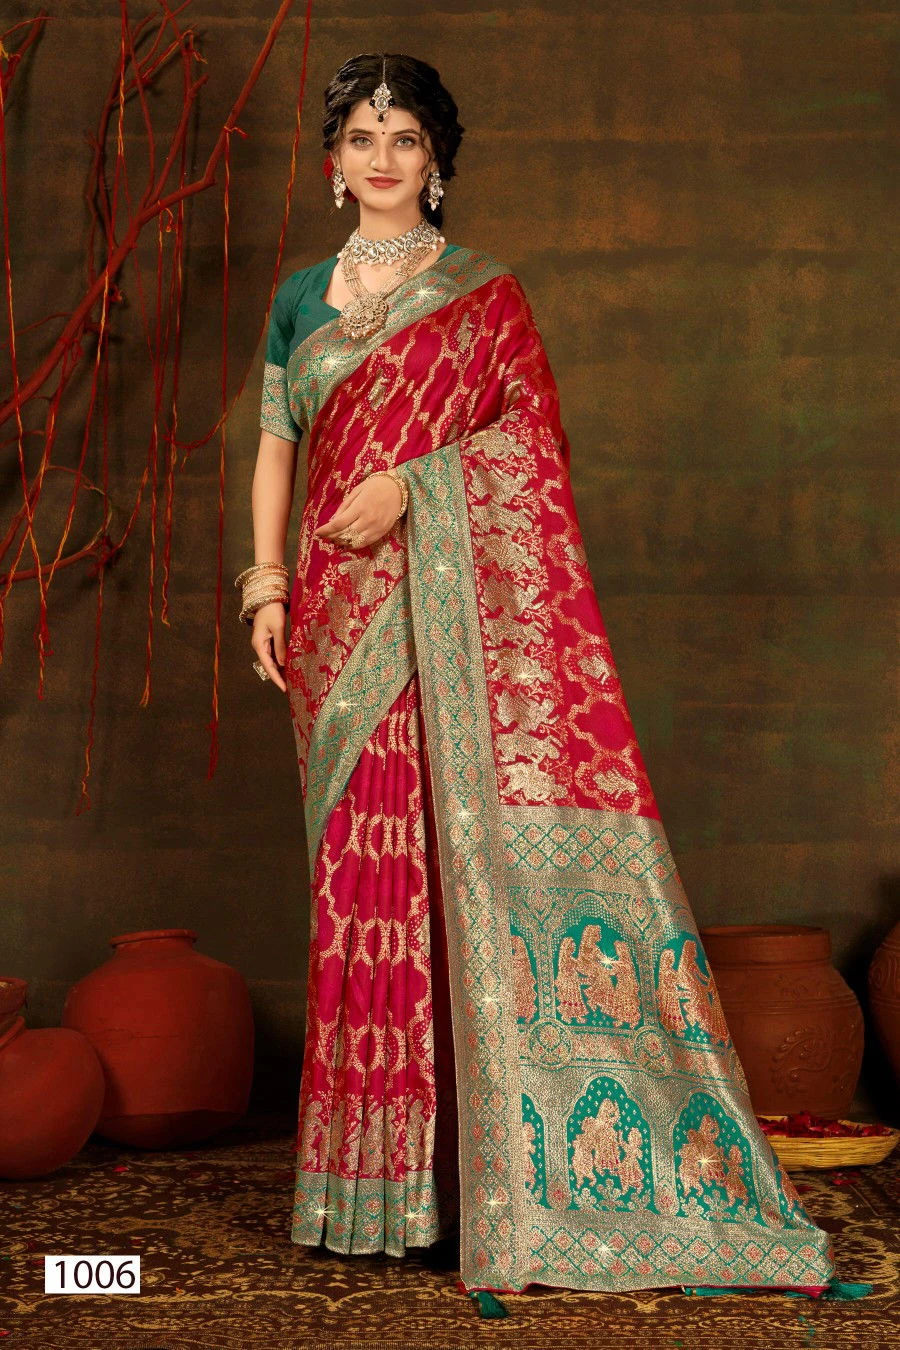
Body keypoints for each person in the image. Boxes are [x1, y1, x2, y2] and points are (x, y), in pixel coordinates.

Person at [238, 51, 843, 1316]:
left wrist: (413, 488)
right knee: (359, 883)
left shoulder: (486, 295)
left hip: (442, 608)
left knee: (446, 868)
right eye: (361, 138)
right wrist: (265, 584)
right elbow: (276, 445)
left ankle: (476, 1187)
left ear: (437, 160)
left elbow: (528, 447)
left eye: (405, 138)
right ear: (334, 160)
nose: (383, 159)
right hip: (337, 618)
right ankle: (369, 1190)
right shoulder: (299, 298)